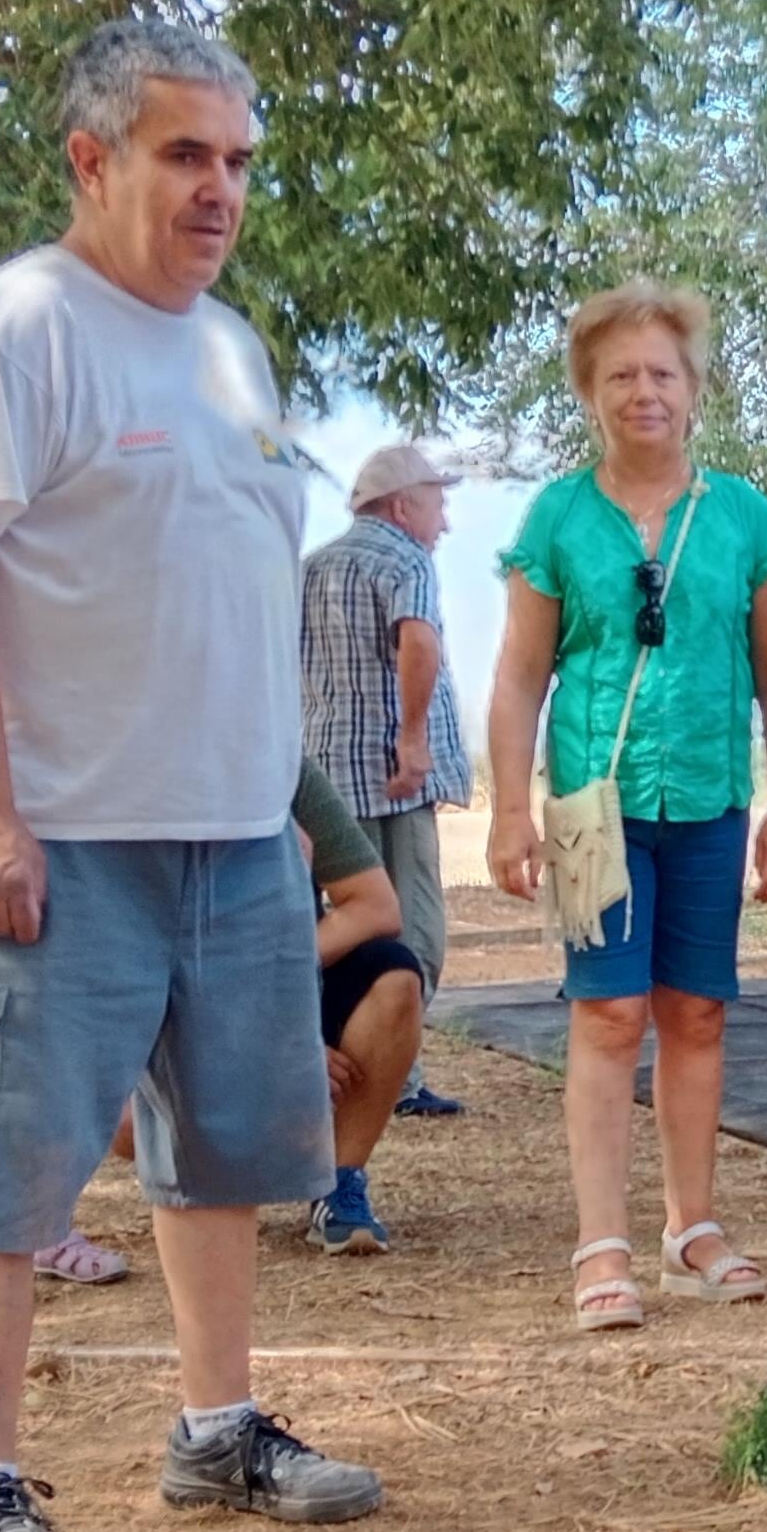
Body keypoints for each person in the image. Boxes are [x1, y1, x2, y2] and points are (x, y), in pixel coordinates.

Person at [0, 17, 381, 1532]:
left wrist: (285, 805)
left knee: (223, 1149)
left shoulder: (232, 349)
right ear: (92, 161)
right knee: (2, 1162)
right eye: (185, 156)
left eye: (236, 161)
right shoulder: (20, 327)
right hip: (58, 830)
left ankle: (217, 1431)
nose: (219, 189)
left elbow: (219, 581)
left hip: (231, 831)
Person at [485, 280, 767, 1331]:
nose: (643, 392)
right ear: (589, 390)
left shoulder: (743, 516)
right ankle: (602, 1242)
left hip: (711, 797)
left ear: (693, 388)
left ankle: (692, 1225)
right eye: (620, 373)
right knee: (610, 1012)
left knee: (696, 1012)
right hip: (595, 803)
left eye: (661, 373)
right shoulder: (557, 519)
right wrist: (506, 806)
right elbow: (517, 678)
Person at [298, 438, 469, 1120]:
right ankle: (388, 1070)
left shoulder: (307, 567)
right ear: (402, 506)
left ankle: (343, 1056)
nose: (445, 522)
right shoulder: (407, 560)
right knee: (415, 934)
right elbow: (419, 641)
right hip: (390, 776)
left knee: (342, 927)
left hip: (320, 778)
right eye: (437, 503)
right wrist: (413, 739)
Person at [290, 757, 429, 1253]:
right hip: (192, 1006)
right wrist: (259, 1037)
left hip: (279, 983)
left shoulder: (286, 769)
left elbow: (376, 906)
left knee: (393, 974)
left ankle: (339, 1181)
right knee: (131, 1121)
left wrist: (283, 1015)